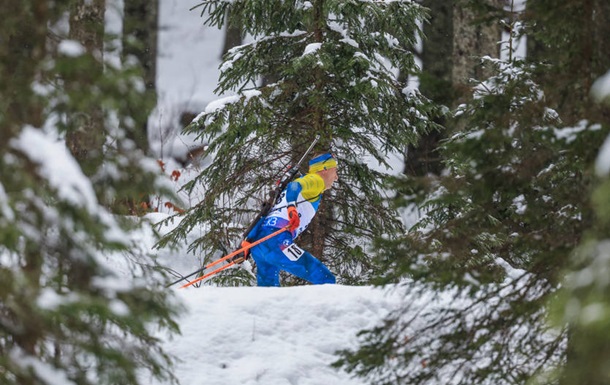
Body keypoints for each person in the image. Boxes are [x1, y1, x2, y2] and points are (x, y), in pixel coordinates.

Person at [244, 152, 339, 287]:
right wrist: (291, 208)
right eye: (335, 171)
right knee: (325, 278)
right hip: (277, 241)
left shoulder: (301, 185)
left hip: (259, 243)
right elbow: (294, 186)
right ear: (324, 169)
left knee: (268, 291)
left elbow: (268, 212)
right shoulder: (316, 180)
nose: (336, 177)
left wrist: (248, 241)